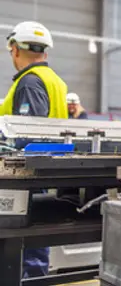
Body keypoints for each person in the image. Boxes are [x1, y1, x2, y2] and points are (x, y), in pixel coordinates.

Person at [1, 21, 68, 279]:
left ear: (15, 49)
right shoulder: (55, 81)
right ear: (45, 53)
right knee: (34, 242)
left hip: (25, 173)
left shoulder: (29, 82)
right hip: (46, 167)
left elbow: (27, 131)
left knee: (27, 246)